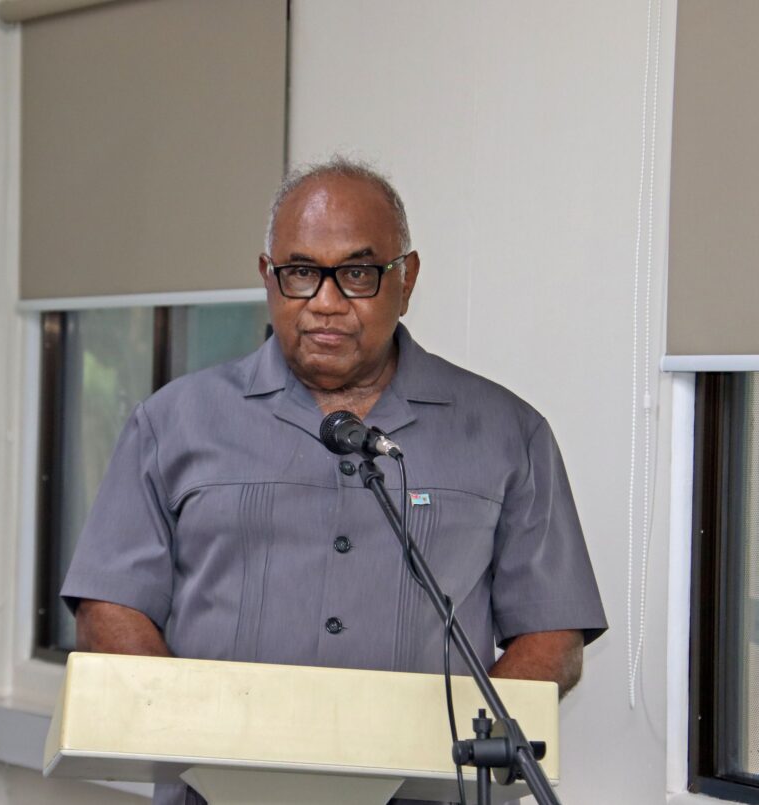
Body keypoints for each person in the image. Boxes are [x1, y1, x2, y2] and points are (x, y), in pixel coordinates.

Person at [61, 158, 607, 805]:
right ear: (267, 275)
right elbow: (110, 607)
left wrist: (447, 751)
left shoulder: (507, 432)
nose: (325, 302)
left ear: (406, 278)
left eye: (356, 273)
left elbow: (551, 634)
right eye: (300, 272)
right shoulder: (173, 422)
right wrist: (197, 737)